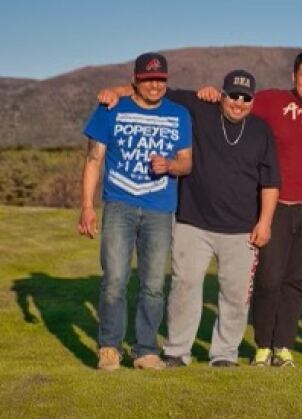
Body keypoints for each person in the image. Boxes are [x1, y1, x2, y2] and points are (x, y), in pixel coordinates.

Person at [99, 70, 281, 367]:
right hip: (192, 223)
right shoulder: (199, 107)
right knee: (184, 288)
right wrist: (113, 92)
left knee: (234, 296)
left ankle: (224, 354)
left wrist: (265, 222)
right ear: (221, 95)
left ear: (252, 101)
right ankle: (177, 351)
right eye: (232, 95)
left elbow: (271, 181)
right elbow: (152, 91)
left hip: (241, 229)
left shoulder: (261, 130)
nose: (238, 102)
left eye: (245, 98)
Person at [79, 52, 192, 371]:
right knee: (114, 278)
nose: (154, 85)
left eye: (160, 79)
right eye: (147, 79)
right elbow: (93, 160)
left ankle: (145, 350)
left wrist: (170, 165)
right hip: (119, 204)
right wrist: (87, 206)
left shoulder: (179, 114)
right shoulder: (111, 109)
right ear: (135, 80)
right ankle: (110, 348)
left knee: (154, 284)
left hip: (159, 208)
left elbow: (187, 162)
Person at [247, 50, 302, 367]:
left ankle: (283, 346)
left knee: (296, 281)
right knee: (269, 279)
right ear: (293, 77)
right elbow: (233, 104)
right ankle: (262, 345)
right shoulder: (271, 102)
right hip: (277, 207)